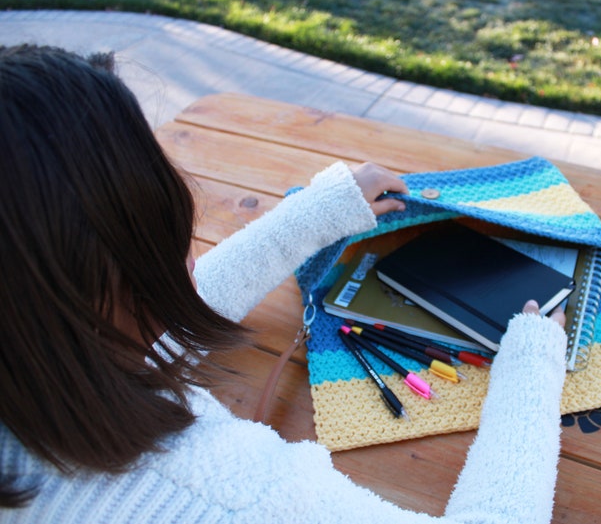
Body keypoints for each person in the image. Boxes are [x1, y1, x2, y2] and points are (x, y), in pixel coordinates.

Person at [0, 44, 568, 524]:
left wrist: (316, 216)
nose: (189, 256)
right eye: (153, 233)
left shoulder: (35, 369)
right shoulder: (223, 497)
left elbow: (145, 326)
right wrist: (531, 365)